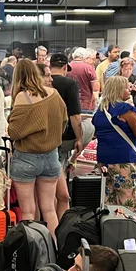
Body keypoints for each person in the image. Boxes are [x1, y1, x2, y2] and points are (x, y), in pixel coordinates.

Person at [6, 58, 68, 234]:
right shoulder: (54, 94)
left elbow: (14, 132)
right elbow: (64, 121)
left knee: (28, 211)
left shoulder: (21, 97)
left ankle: (33, 251)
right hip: (51, 157)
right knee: (49, 209)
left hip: (26, 159)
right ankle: (54, 249)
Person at [92, 76, 136, 211]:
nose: (129, 90)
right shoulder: (125, 109)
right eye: (127, 88)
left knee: (109, 201)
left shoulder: (100, 112)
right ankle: (128, 229)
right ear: (119, 90)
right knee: (128, 201)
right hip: (125, 159)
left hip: (104, 160)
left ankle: (111, 228)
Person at [47, 54, 85, 217]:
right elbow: (75, 116)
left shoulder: (42, 84)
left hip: (45, 140)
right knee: (89, 127)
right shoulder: (70, 84)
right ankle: (73, 160)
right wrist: (79, 139)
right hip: (65, 137)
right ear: (64, 68)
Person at [69, 47, 99, 112]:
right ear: (85, 57)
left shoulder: (66, 67)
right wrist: (95, 103)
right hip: (86, 103)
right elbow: (95, 89)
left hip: (70, 102)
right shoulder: (88, 68)